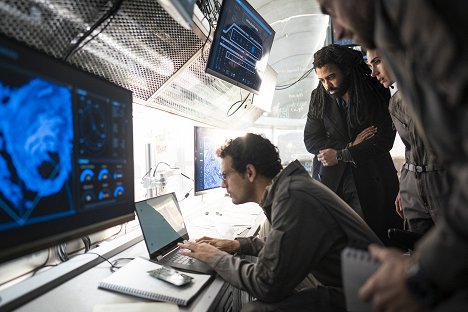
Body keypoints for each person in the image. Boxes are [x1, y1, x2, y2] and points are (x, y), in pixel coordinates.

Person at [316, 0, 468, 310]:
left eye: (332, 10)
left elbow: (385, 140)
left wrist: (423, 275)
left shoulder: (416, 19)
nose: (341, 29)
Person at [179, 133, 381, 311]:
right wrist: (238, 244)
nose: (223, 184)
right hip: (356, 287)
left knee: (254, 310)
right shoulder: (292, 187)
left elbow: (265, 284)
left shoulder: (293, 197)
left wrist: (215, 257)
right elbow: (291, 243)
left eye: (225, 175)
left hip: (368, 299)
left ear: (250, 172)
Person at [304, 44, 401, 245]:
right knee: (343, 246)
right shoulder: (319, 96)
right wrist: (349, 146)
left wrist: (342, 153)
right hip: (334, 181)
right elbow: (311, 140)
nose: (327, 86)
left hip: (374, 178)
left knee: (379, 242)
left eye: (331, 77)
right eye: (321, 80)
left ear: (346, 70)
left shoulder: (374, 89)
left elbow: (384, 140)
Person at [366, 48, 451, 235]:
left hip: (444, 183)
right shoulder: (394, 103)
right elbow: (411, 148)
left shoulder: (438, 93)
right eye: (370, 65)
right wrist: (404, 186)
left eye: (378, 62)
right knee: (418, 252)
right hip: (412, 188)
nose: (374, 73)